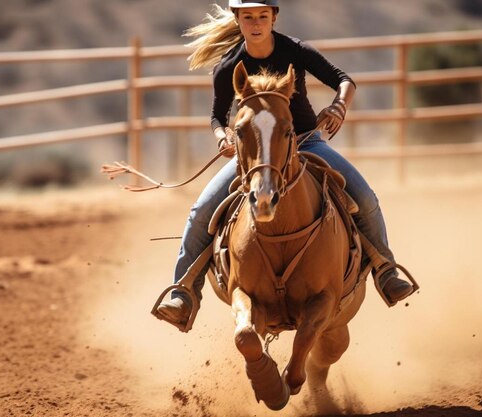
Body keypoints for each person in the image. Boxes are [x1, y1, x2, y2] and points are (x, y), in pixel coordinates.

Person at [157, 0, 414, 325]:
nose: (256, 23)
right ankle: (183, 294)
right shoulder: (228, 67)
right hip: (255, 154)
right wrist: (222, 136)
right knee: (201, 211)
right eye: (248, 16)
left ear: (274, 17)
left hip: (306, 141)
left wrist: (338, 106)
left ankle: (385, 271)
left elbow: (343, 80)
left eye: (263, 16)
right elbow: (216, 116)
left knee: (363, 197)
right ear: (237, 19)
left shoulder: (295, 50)